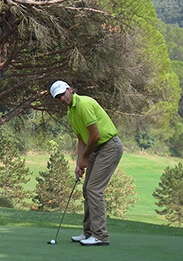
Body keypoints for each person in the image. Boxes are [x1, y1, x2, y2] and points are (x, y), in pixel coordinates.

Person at [50, 80, 124, 246]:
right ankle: (88, 232)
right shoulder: (71, 112)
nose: (62, 99)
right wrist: (79, 162)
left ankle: (100, 235)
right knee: (86, 189)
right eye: (58, 98)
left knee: (94, 189)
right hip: (96, 149)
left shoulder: (83, 104)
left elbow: (95, 135)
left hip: (109, 146)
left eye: (63, 94)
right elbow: (81, 139)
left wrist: (85, 157)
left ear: (70, 89)